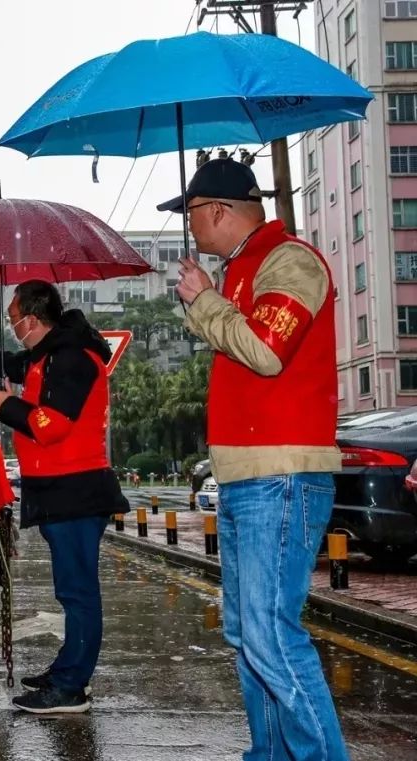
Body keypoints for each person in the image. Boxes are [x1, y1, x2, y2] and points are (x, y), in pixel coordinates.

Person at [159, 158, 347, 760]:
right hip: (247, 477)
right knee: (248, 635)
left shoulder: (288, 260)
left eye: (190, 215)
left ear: (217, 210)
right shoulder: (240, 270)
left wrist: (208, 302)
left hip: (280, 475)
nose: (190, 230)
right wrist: (208, 301)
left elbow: (267, 350)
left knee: (270, 634)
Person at [0, 281, 128, 714]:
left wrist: (5, 408)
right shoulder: (50, 354)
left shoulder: (71, 358)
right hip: (59, 490)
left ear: (31, 320)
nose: (12, 325)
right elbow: (10, 363)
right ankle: (70, 669)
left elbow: (51, 426)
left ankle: (72, 688)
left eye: (13, 317)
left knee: (79, 594)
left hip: (76, 489)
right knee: (72, 591)